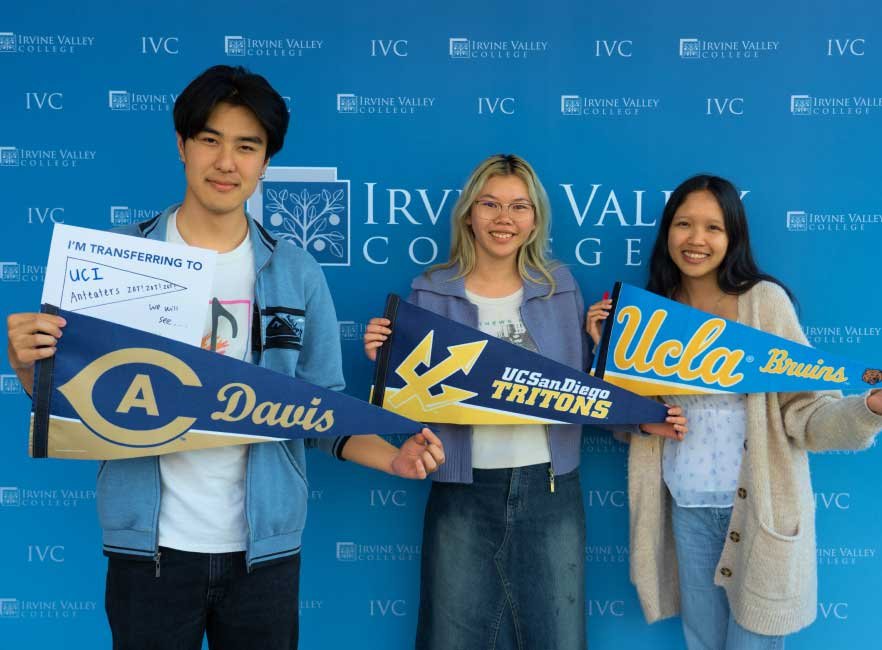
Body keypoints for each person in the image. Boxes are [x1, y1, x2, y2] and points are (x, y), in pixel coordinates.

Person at [6, 64, 444, 650]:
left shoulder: (294, 270)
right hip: (150, 551)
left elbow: (322, 412)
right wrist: (28, 364)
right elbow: (77, 406)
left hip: (264, 554)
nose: (226, 162)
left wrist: (394, 456)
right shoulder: (119, 261)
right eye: (210, 140)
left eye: (247, 145)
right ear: (182, 145)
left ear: (266, 162)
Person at [363, 153, 685, 649]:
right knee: (450, 640)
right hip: (460, 492)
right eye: (490, 204)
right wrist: (382, 363)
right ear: (469, 212)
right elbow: (410, 408)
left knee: (558, 639)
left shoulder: (559, 288)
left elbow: (581, 391)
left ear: (535, 220)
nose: (503, 218)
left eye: (519, 206)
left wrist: (644, 416)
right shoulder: (428, 293)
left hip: (551, 490)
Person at [586, 174, 882, 649]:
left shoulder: (763, 303)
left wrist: (868, 408)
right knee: (702, 641)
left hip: (759, 512)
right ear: (667, 233)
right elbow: (626, 424)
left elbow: (806, 414)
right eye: (684, 224)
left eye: (713, 227)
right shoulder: (650, 311)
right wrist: (605, 354)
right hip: (686, 508)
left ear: (733, 237)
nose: (696, 239)